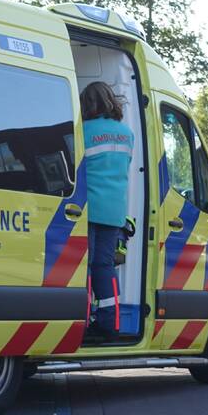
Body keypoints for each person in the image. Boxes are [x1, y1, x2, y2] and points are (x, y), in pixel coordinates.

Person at [81, 81, 135, 340]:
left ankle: (81, 321)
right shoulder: (127, 134)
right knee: (105, 265)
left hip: (87, 210)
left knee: (85, 266)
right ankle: (109, 322)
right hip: (114, 212)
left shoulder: (83, 131)